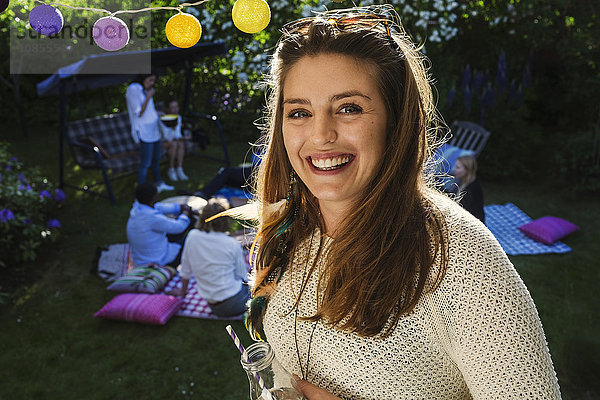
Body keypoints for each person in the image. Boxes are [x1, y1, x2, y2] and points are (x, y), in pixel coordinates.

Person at [235, 6, 561, 399]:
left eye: (348, 108)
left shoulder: (460, 261)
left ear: (397, 121)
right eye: (300, 112)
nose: (320, 135)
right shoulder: (289, 231)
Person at [168, 198, 250, 317]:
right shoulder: (231, 244)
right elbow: (242, 276)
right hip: (236, 302)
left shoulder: (192, 236)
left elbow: (185, 269)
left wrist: (182, 292)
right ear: (225, 220)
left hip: (214, 306)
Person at [126, 74, 174, 193]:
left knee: (156, 159)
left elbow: (148, 110)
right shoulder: (133, 90)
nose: (152, 83)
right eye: (150, 80)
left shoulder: (145, 89)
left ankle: (158, 183)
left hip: (154, 130)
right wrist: (148, 96)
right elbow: (139, 113)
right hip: (143, 131)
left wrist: (157, 113)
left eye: (154, 80)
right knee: (145, 163)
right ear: (143, 77)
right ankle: (141, 192)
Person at [126, 182, 192, 267]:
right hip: (158, 261)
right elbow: (179, 227)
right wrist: (186, 213)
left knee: (179, 225)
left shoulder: (137, 208)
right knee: (192, 237)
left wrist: (178, 207)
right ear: (154, 197)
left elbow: (158, 207)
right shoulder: (152, 217)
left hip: (142, 258)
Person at [159, 99, 190, 182]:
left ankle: (179, 168)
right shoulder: (162, 119)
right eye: (172, 108)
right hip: (161, 141)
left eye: (176, 107)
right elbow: (166, 137)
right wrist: (172, 128)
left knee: (180, 143)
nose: (175, 109)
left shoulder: (178, 117)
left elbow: (178, 134)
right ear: (167, 109)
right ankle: (171, 169)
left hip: (173, 140)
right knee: (174, 144)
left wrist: (183, 138)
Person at [452, 155, 485, 223]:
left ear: (467, 170)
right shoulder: (463, 181)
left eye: (458, 168)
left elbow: (457, 211)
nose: (454, 170)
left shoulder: (470, 190)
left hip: (472, 224)